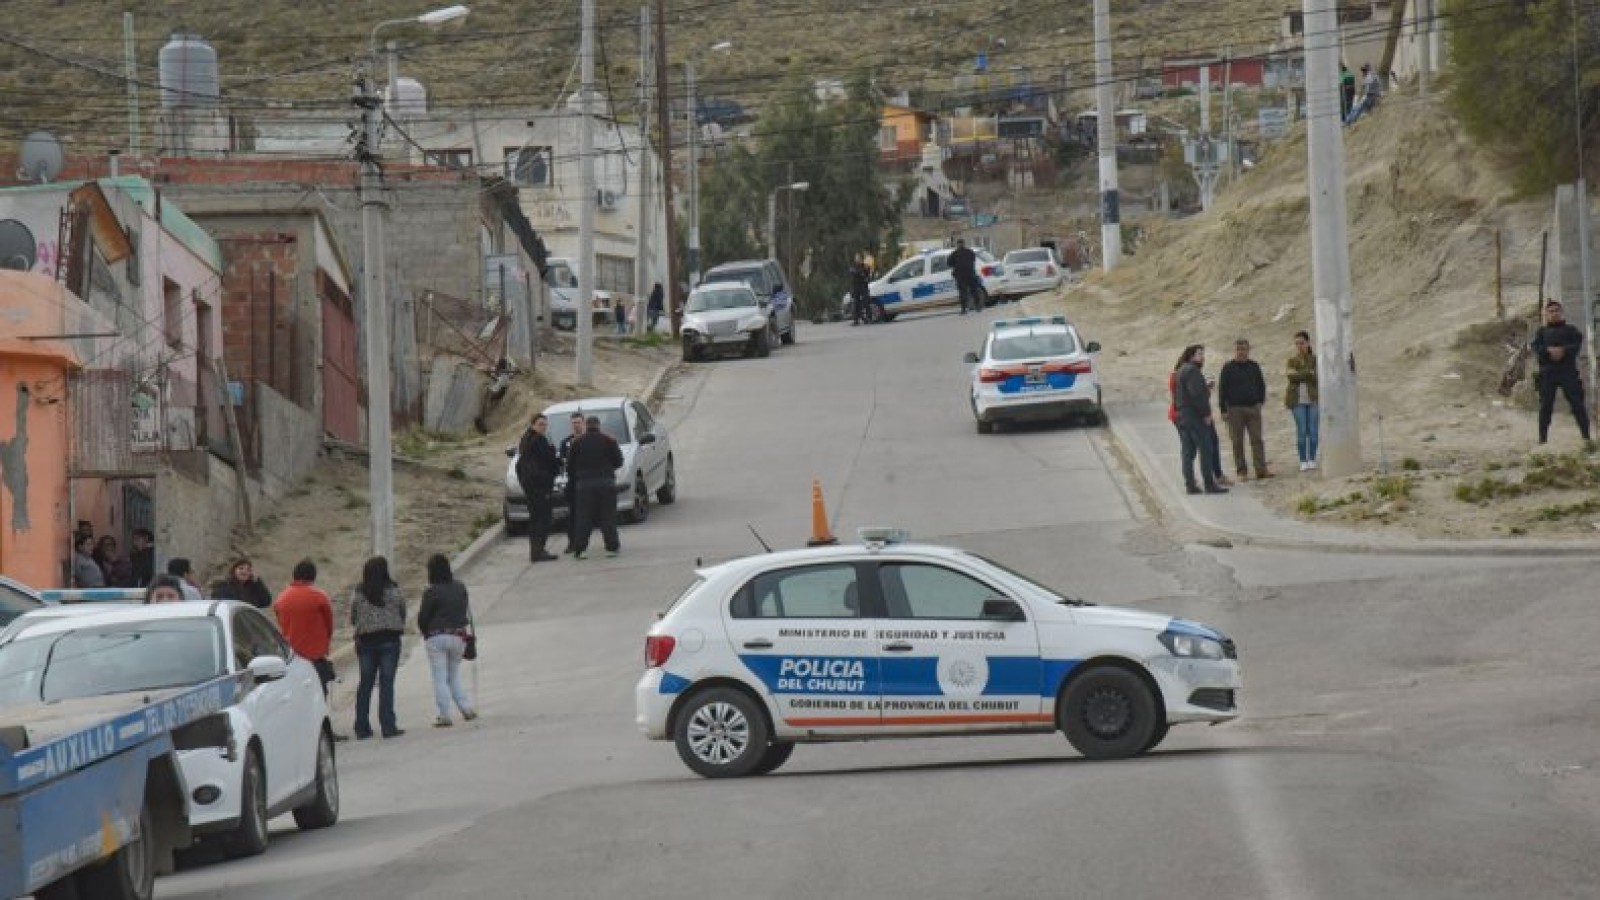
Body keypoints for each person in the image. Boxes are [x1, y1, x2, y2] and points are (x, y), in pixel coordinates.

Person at [417, 553, 478, 728]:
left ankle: (444, 715)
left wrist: (426, 632)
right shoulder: (460, 587)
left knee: (440, 677)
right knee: (453, 675)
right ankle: (466, 708)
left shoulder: (431, 591)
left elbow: (423, 617)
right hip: (458, 636)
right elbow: (465, 610)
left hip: (436, 637)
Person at [350, 556, 406, 740]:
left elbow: (353, 617)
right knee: (386, 683)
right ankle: (388, 726)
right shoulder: (394, 591)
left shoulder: (359, 593)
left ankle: (361, 727)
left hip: (366, 642)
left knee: (365, 683)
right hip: (390, 640)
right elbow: (402, 612)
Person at [1531, 299, 1592, 444]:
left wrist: (1563, 350)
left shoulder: (1571, 330)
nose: (1554, 314)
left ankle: (1586, 437)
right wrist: (1548, 351)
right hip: (1548, 374)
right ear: (1546, 314)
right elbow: (1536, 348)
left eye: (1556, 311)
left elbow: (1576, 344)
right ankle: (1542, 440)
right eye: (1551, 311)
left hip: (1568, 372)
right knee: (1545, 407)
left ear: (1562, 312)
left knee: (1577, 405)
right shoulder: (1541, 332)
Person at [274, 560, 337, 698]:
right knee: (319, 694)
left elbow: (281, 623)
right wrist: (325, 644)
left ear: (294, 575)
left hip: (292, 655)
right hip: (315, 655)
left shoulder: (281, 598)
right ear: (313, 577)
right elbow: (329, 624)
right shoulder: (319, 596)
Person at [567, 414, 624, 559]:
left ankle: (580, 550)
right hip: (606, 483)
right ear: (599, 426)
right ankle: (612, 547)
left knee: (584, 517)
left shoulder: (577, 442)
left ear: (586, 425)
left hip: (584, 485)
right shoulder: (609, 440)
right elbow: (619, 461)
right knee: (608, 516)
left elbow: (570, 466)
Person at [1175, 344, 1227, 495]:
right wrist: (1206, 414)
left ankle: (1190, 484)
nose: (1202, 357)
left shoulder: (1181, 370)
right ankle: (1209, 484)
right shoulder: (1192, 371)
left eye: (1203, 354)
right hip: (1195, 417)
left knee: (1187, 451)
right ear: (1191, 356)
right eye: (1199, 354)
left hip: (1183, 416)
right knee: (1206, 449)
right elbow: (1197, 395)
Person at [1218, 338, 1271, 480]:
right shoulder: (1228, 368)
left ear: (1248, 350)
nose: (1241, 352)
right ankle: (1242, 472)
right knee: (1237, 441)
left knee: (1257, 440)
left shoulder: (1254, 366)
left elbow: (1261, 385)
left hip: (1253, 408)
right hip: (1234, 410)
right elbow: (1222, 390)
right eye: (1238, 349)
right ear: (1234, 351)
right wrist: (1223, 410)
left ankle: (1261, 470)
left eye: (1244, 349)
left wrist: (1260, 401)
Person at [516, 413, 560, 562]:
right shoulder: (537, 441)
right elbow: (548, 462)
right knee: (542, 519)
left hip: (533, 486)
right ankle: (538, 551)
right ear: (533, 425)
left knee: (538, 518)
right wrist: (554, 458)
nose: (543, 427)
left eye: (545, 425)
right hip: (539, 486)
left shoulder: (528, 440)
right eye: (540, 424)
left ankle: (538, 550)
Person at [1286, 330, 1320, 471]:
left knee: (1313, 431)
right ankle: (1302, 460)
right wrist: (1307, 373)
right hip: (1297, 400)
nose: (1299, 346)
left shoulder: (1315, 359)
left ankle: (1312, 458)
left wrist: (1301, 373)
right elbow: (1291, 376)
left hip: (1313, 399)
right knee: (1301, 430)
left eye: (1302, 343)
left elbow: (1316, 377)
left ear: (1308, 343)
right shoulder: (1292, 360)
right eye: (1297, 344)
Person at [559, 411, 587, 552]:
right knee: (573, 514)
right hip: (574, 482)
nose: (576, 425)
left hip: (588, 481)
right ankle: (573, 543)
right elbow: (563, 461)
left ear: (584, 423)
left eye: (578, 422)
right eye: (574, 423)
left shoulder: (590, 439)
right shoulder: (566, 442)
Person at [949, 239, 980, 315]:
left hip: (961, 276)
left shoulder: (954, 254)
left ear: (958, 244)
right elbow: (973, 260)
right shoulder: (970, 252)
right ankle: (977, 306)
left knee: (963, 292)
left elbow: (949, 263)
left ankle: (964, 309)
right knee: (974, 291)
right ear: (963, 244)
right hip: (970, 274)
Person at [849, 255, 875, 325]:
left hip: (863, 286)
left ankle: (869, 318)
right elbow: (854, 273)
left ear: (861, 259)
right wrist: (860, 273)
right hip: (856, 287)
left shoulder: (865, 266)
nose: (857, 260)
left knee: (866, 303)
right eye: (856, 259)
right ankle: (856, 320)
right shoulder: (853, 267)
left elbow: (868, 275)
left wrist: (864, 273)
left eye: (859, 259)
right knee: (856, 304)